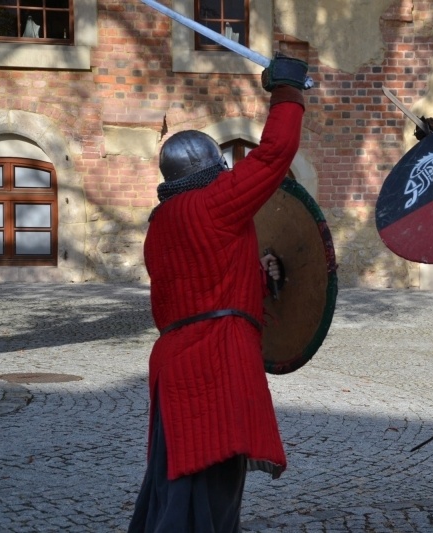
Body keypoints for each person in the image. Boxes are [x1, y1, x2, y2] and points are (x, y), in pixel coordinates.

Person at [128, 55, 309, 533]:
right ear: (212, 168)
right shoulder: (218, 202)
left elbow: (202, 282)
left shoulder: (159, 224)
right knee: (209, 488)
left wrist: (260, 274)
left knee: (175, 481)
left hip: (173, 362)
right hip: (216, 361)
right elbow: (273, 154)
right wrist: (287, 93)